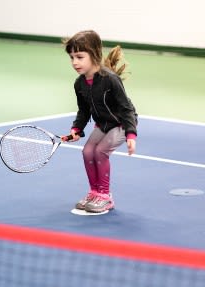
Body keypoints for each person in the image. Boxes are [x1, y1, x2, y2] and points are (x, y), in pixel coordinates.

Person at [63, 30, 138, 213]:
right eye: (72, 57)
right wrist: (76, 129)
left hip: (120, 124)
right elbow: (84, 110)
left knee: (100, 151)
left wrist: (130, 134)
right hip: (103, 125)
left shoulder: (111, 80)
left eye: (80, 57)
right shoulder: (79, 83)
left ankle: (105, 197)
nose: (75, 62)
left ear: (94, 54)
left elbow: (126, 108)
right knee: (88, 151)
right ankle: (94, 192)